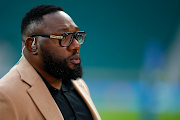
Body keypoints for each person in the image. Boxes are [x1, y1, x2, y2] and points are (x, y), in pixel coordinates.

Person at [0, 5, 101, 120]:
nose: (76, 45)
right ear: (32, 45)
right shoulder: (6, 95)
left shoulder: (78, 85)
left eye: (76, 36)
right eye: (64, 36)